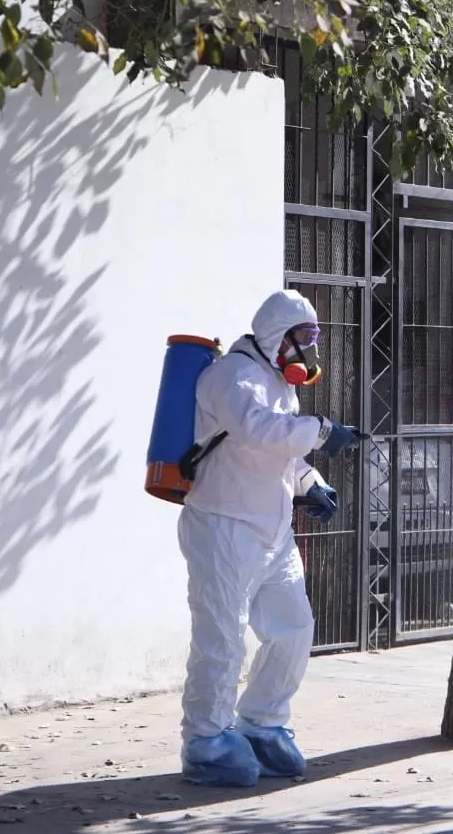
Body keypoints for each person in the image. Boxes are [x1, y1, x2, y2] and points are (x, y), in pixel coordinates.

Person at [177, 289, 363, 787]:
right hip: (223, 525)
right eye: (303, 337)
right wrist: (323, 430)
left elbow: (282, 451)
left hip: (273, 530)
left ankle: (262, 722)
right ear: (276, 336)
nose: (309, 349)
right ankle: (206, 741)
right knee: (223, 639)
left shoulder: (281, 384)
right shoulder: (230, 376)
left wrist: (312, 483)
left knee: (294, 630)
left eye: (314, 338)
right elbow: (256, 429)